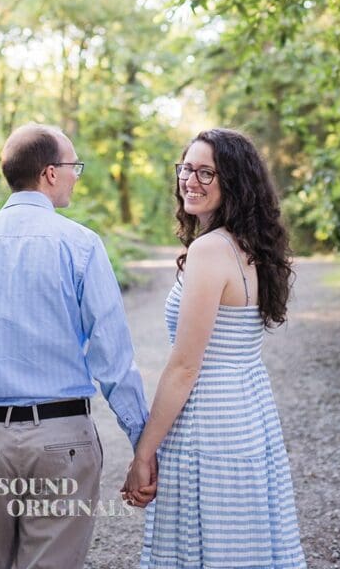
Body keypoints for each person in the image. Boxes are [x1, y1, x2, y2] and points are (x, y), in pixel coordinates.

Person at [0, 122, 149, 569]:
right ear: (48, 173)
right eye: (72, 166)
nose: (75, 175)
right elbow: (114, 361)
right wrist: (142, 444)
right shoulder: (81, 246)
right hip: (62, 443)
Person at [122, 127, 307, 569]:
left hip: (208, 424)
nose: (191, 180)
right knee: (243, 545)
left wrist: (143, 453)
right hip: (249, 417)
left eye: (207, 173)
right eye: (187, 167)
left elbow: (185, 367)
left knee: (201, 547)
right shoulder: (251, 248)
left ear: (235, 184)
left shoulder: (208, 250)